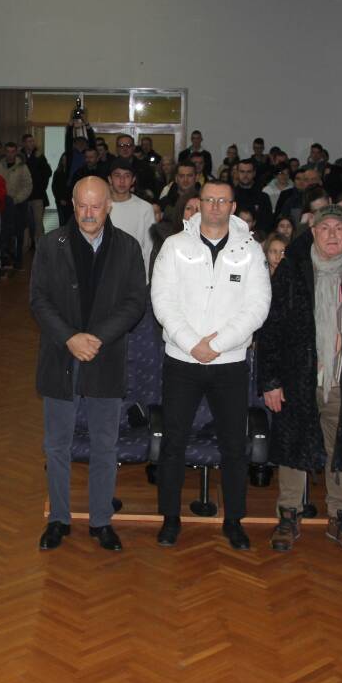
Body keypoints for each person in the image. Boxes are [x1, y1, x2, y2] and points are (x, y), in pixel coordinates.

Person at [258, 205, 342, 554]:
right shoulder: (291, 271)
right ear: (313, 232)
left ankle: (340, 517)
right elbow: (271, 330)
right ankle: (289, 515)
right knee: (292, 448)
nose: (332, 234)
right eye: (325, 228)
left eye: (339, 228)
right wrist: (270, 381)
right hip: (298, 379)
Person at [150, 181, 271, 549]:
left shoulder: (250, 250)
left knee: (234, 446)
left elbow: (258, 306)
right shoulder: (174, 246)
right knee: (173, 443)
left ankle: (234, 520)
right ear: (198, 204)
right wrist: (191, 344)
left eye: (222, 200)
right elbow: (162, 300)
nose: (215, 206)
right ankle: (170, 518)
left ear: (232, 207)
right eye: (209, 200)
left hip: (229, 364)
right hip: (181, 361)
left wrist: (216, 345)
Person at [29, 176, 147, 552]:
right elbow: (38, 299)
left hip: (104, 356)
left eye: (97, 206)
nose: (89, 213)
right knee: (56, 446)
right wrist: (70, 337)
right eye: (83, 205)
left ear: (109, 206)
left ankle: (101, 522)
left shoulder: (128, 247)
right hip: (60, 356)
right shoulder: (50, 245)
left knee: (104, 446)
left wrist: (96, 337)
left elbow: (135, 302)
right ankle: (58, 519)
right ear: (73, 204)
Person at [104, 161, 156, 277]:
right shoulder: (100, 207)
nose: (122, 181)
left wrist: (145, 278)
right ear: (110, 179)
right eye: (117, 175)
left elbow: (149, 247)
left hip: (134, 272)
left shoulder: (145, 208)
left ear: (133, 180)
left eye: (127, 176)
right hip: (106, 272)